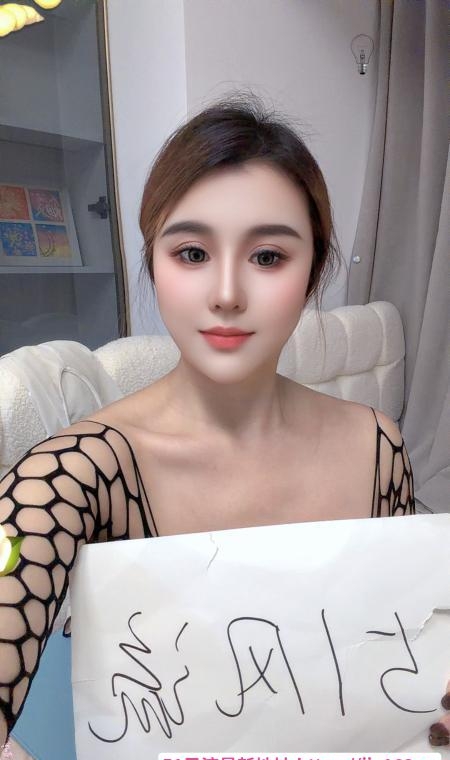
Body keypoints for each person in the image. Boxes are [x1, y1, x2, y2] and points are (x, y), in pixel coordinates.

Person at [4, 91, 438, 754]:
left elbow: (404, 641)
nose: (227, 293)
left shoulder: (379, 447)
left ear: (313, 271)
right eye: (191, 253)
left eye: (267, 257)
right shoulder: (72, 475)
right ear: (153, 263)